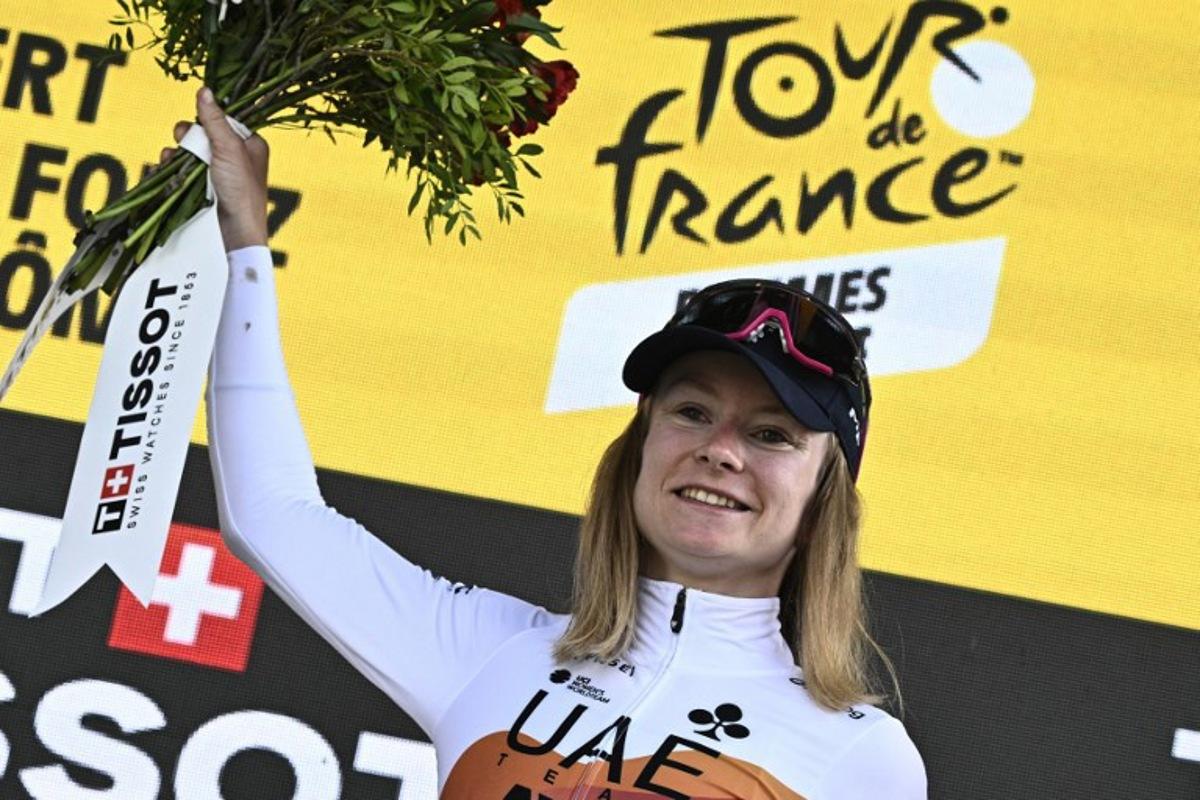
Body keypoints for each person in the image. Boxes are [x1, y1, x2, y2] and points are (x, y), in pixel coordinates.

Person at [182, 86, 926, 799]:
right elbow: (271, 513)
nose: (721, 450)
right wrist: (241, 246)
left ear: (825, 498)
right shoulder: (496, 653)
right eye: (691, 412)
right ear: (638, 447)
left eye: (771, 433)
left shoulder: (862, 757)